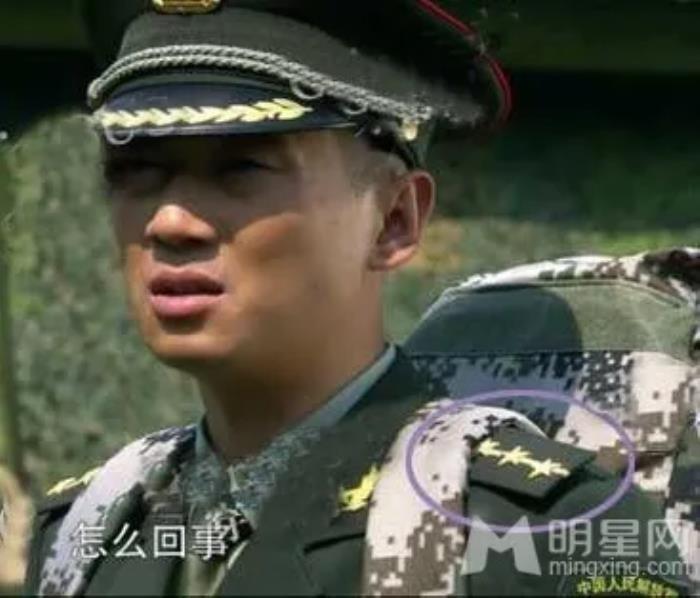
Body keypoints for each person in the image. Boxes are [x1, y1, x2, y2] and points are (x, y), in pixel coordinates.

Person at [20, 1, 693, 595]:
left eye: (242, 167)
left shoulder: (538, 529)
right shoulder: (88, 531)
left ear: (394, 220)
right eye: (135, 170)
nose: (170, 222)